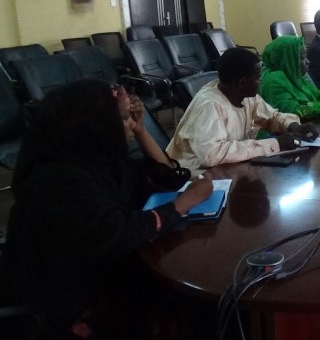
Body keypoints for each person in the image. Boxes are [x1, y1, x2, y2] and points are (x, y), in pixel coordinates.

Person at [0, 80, 214, 338]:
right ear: (95, 126)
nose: (130, 127)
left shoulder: (97, 160)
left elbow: (169, 178)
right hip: (67, 305)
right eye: (124, 120)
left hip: (102, 276)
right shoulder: (61, 180)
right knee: (193, 303)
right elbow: (119, 234)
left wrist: (142, 130)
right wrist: (182, 205)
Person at [166, 47, 319, 169]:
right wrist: (275, 144)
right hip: (194, 175)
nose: (261, 81)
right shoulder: (210, 105)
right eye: (258, 78)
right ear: (242, 82)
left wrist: (293, 126)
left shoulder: (244, 96)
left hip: (227, 169)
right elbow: (212, 155)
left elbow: (271, 116)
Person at [260, 35, 320, 121]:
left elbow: (317, 95)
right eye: (302, 58)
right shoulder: (273, 80)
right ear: (288, 59)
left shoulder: (293, 74)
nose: (308, 61)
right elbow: (292, 112)